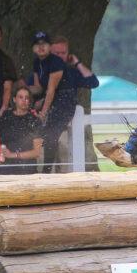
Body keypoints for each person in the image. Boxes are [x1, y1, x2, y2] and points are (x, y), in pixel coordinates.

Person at [38, 36, 100, 172]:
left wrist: (77, 63)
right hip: (46, 114)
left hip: (62, 114)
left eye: (63, 53)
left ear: (68, 53)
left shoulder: (71, 72)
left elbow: (93, 82)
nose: (60, 56)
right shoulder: (42, 69)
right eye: (56, 53)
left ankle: (46, 171)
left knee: (52, 138)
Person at [26, 31, 65, 170]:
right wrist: (23, 90)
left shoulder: (56, 62)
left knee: (51, 135)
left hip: (63, 101)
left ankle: (46, 170)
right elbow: (38, 87)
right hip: (49, 99)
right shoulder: (37, 62)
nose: (41, 47)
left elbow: (51, 90)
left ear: (49, 46)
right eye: (37, 44)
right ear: (33, 48)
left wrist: (43, 111)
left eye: (44, 44)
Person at [0, 85, 43, 175]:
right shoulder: (5, 117)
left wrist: (13, 155)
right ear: (14, 99)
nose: (24, 100)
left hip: (27, 169)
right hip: (6, 168)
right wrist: (1, 152)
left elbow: (36, 152)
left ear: (29, 101)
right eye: (20, 97)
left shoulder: (34, 120)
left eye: (27, 98)